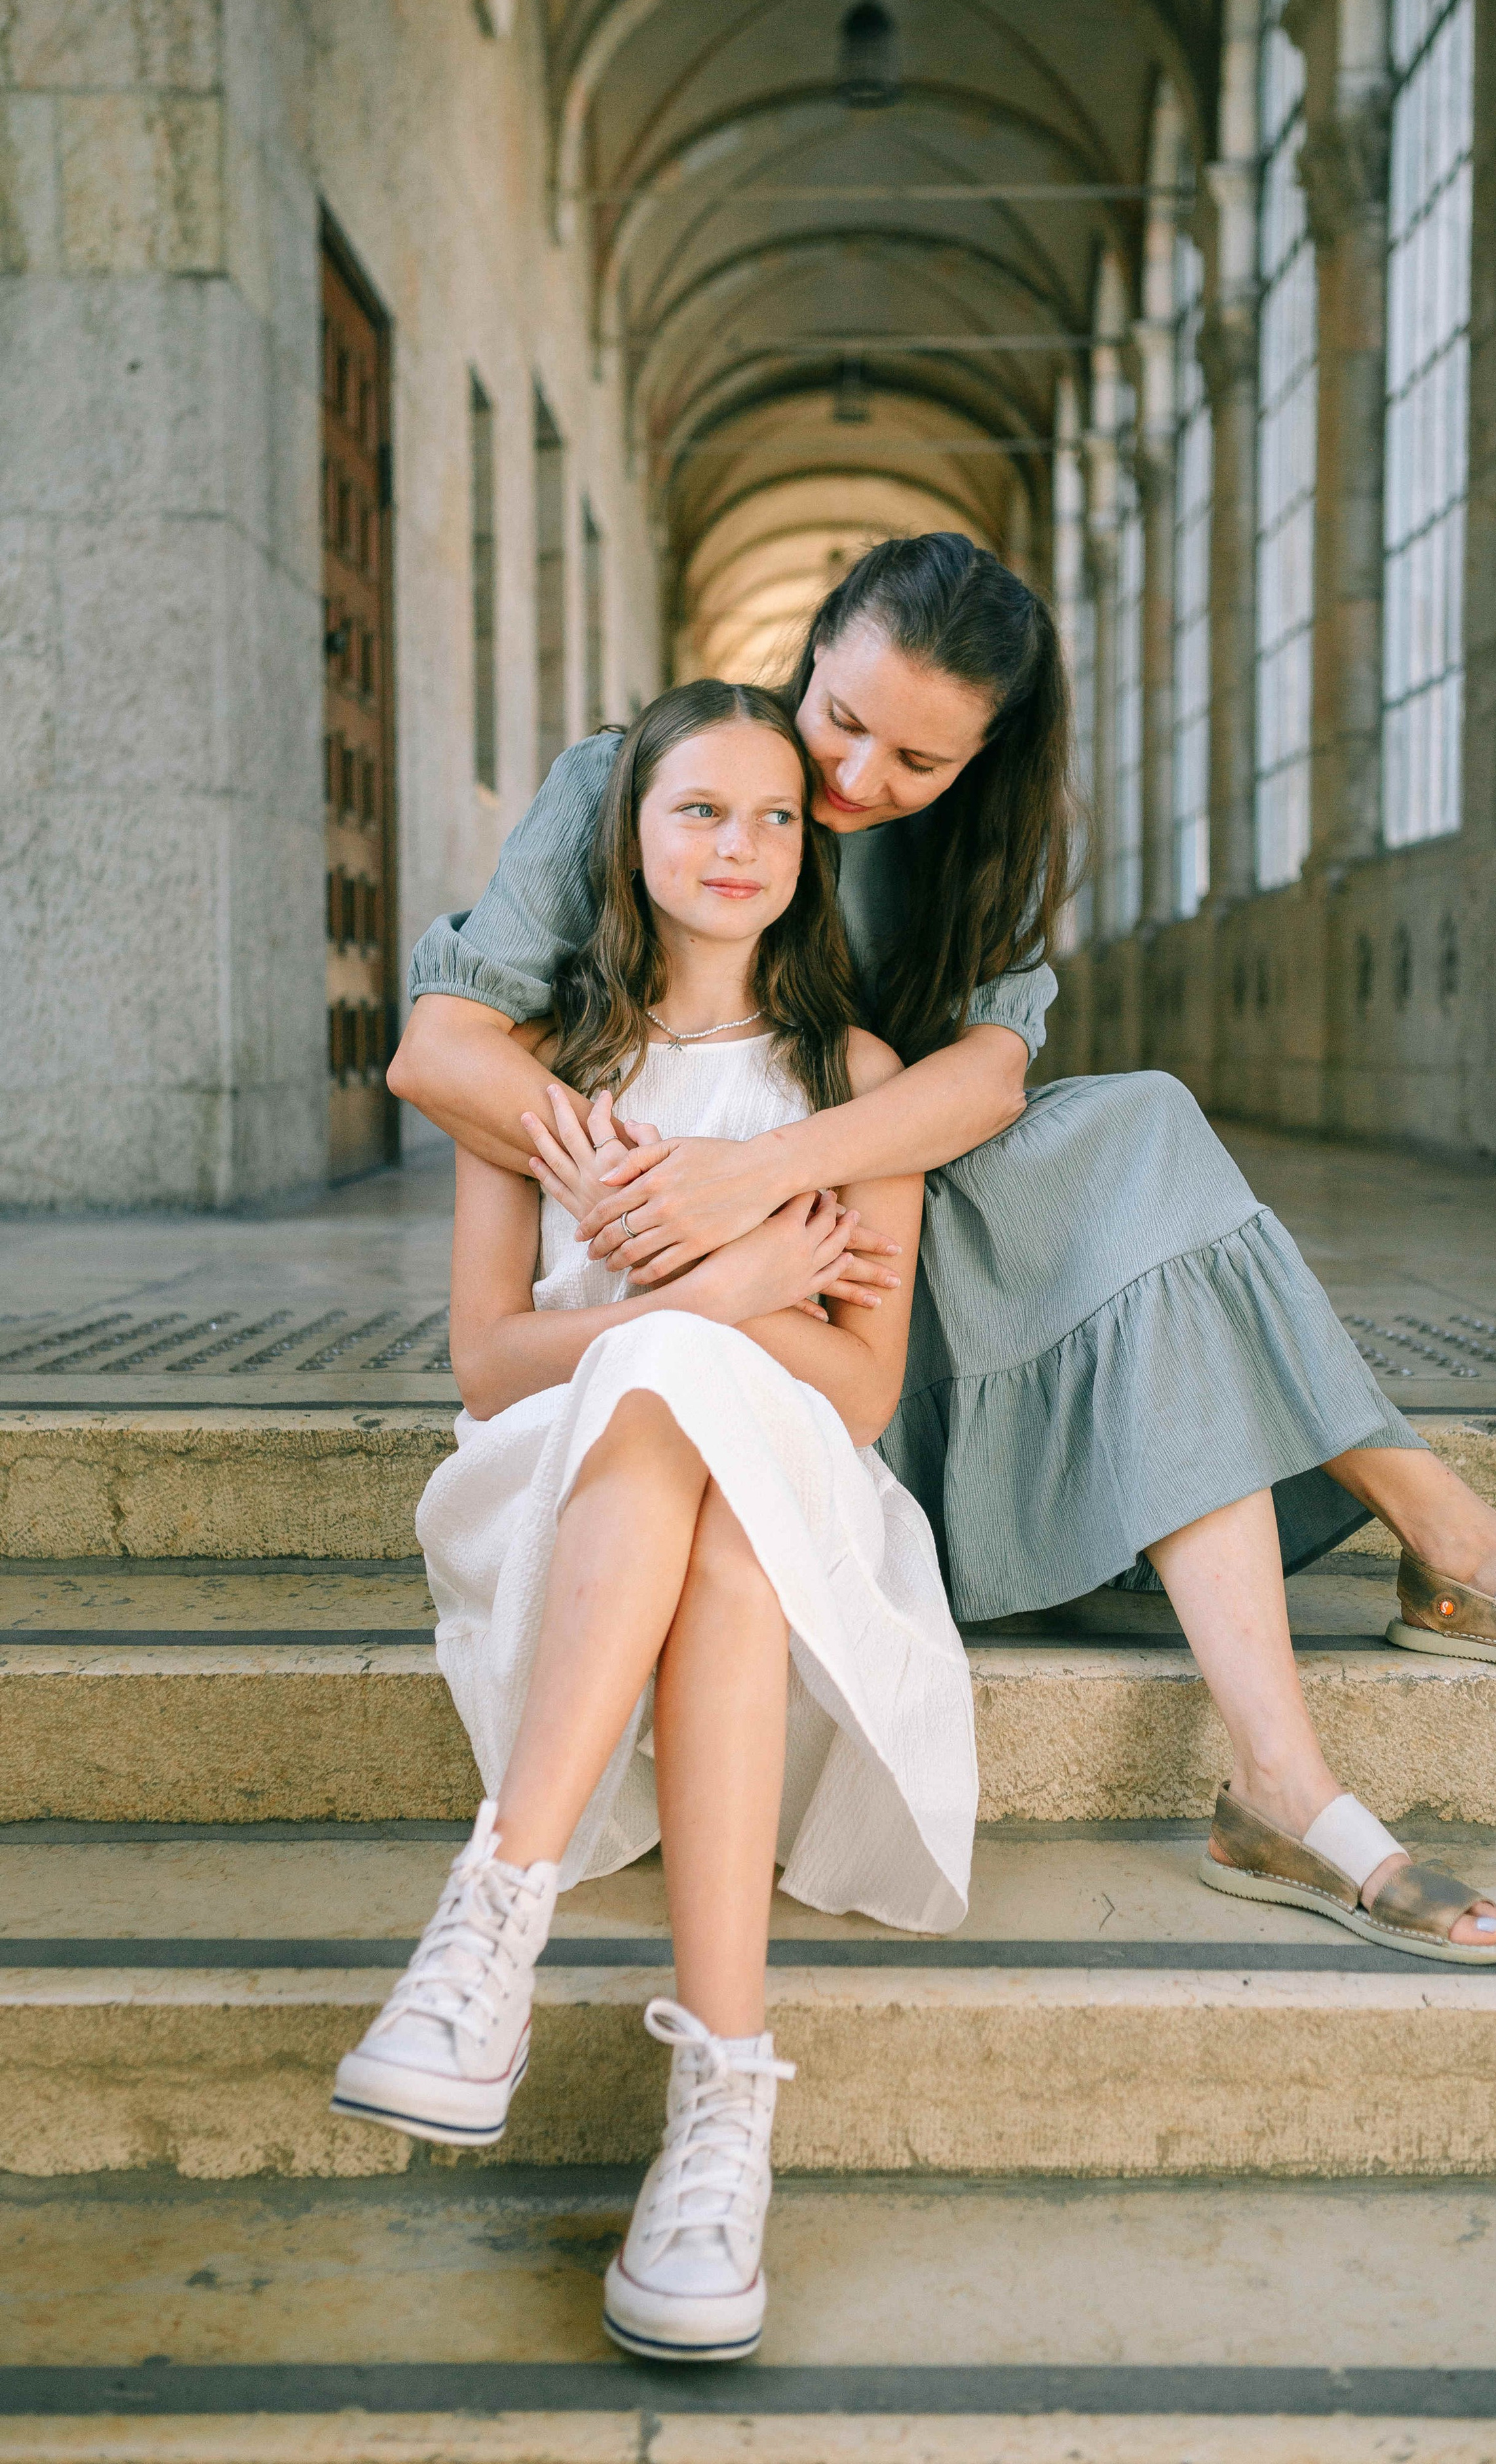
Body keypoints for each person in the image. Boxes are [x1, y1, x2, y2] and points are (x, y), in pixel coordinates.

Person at [393, 535, 1496, 1960]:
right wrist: (667, 1197)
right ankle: (1427, 1560)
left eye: (918, 763)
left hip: (867, 1242)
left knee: (1139, 1148)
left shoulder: (980, 849)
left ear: (982, 757)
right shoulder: (657, 776)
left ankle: (1287, 1773)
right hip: (753, 1292)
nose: (858, 782)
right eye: (845, 722)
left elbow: (988, 1084)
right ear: (810, 647)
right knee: (1152, 1192)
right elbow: (439, 1052)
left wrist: (755, 1175)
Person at [333, 681, 977, 2362]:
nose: (741, 846)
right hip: (553, 1489)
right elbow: (489, 1364)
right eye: (699, 809)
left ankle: (504, 1921)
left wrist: (715, 1294)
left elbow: (849, 1390)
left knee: (737, 1502)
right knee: (677, 1424)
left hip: (794, 1510)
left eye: (776, 818)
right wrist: (740, 1284)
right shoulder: (534, 1071)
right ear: (626, 832)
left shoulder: (853, 1078)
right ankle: (714, 2093)